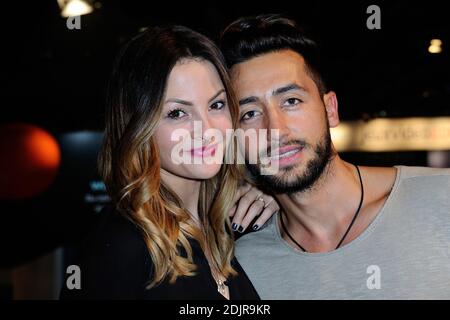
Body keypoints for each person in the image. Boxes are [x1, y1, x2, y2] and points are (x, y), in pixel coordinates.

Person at [219, 14, 450, 299]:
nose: (275, 129)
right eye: (250, 113)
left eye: (291, 101)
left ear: (330, 109)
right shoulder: (241, 264)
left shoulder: (442, 197)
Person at [60, 25, 279, 300]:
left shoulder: (222, 227)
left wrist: (275, 197)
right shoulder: (122, 245)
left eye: (216, 105)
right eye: (177, 113)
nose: (207, 128)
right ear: (139, 125)